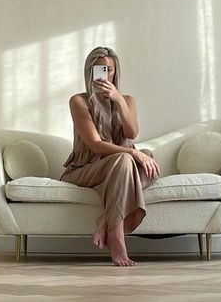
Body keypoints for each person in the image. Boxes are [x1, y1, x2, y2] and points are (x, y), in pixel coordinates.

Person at [60, 46, 160, 267]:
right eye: (99, 70)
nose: (105, 75)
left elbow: (131, 133)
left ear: (116, 72)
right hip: (86, 168)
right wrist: (132, 152)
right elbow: (95, 145)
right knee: (129, 158)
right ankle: (117, 241)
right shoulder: (79, 101)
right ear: (89, 73)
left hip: (120, 167)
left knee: (149, 158)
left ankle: (106, 220)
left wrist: (119, 101)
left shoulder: (128, 100)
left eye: (109, 70)